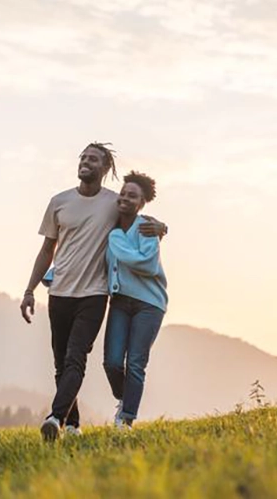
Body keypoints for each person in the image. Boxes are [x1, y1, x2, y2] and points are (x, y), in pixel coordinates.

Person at [20, 143, 166, 442]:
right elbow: (47, 249)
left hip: (94, 294)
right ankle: (72, 425)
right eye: (83, 157)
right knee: (61, 363)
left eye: (94, 159)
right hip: (59, 294)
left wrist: (162, 226)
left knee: (76, 358)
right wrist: (29, 290)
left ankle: (54, 418)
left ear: (105, 168)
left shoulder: (114, 202)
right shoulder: (59, 202)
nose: (86, 161)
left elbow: (138, 215)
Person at [103, 171, 168, 430]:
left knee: (136, 364)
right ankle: (125, 398)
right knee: (112, 362)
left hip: (149, 304)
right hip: (119, 302)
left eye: (132, 196)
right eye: (123, 194)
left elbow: (148, 264)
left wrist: (116, 241)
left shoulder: (146, 227)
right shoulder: (108, 228)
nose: (125, 199)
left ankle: (126, 419)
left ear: (141, 203)